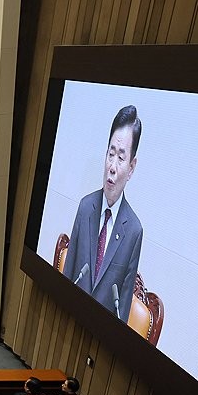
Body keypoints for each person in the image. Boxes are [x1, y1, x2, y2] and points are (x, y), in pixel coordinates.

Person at [61, 105, 144, 323]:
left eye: (121, 158)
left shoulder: (134, 232)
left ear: (132, 167)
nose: (112, 167)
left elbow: (122, 308)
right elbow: (68, 275)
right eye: (111, 154)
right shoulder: (86, 207)